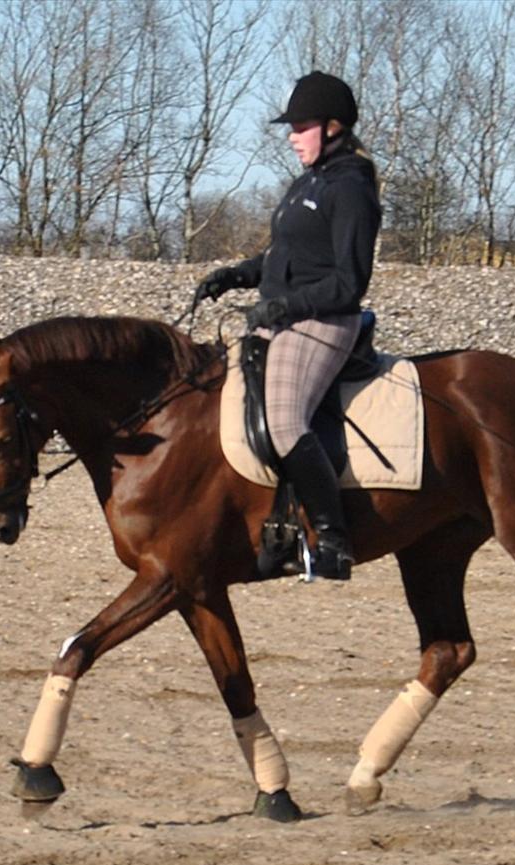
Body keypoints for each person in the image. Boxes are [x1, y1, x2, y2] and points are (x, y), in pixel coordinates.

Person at [194, 71, 382, 581]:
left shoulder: (350, 188)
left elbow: (349, 283)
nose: (291, 135)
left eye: (301, 126)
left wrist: (286, 306)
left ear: (333, 126)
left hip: (323, 322)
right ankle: (271, 522)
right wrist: (236, 275)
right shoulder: (309, 182)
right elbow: (284, 254)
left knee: (283, 421)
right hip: (282, 319)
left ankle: (333, 539)